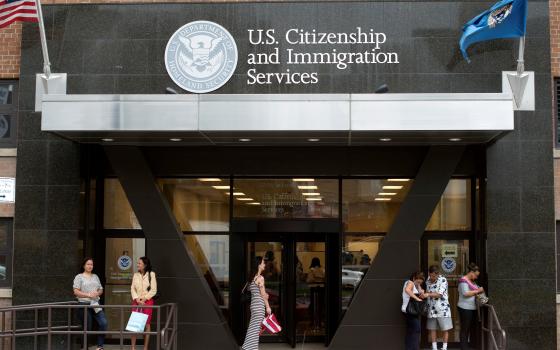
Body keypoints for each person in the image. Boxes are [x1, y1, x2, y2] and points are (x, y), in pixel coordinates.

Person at [73, 257, 107, 350]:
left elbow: (101, 289)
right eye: (88, 264)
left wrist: (97, 293)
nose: (90, 266)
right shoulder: (79, 277)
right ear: (84, 265)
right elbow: (76, 291)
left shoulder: (95, 276)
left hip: (95, 303)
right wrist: (88, 294)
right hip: (83, 304)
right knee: (88, 326)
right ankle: (84, 347)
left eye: (91, 264)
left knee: (103, 323)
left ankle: (100, 346)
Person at [242, 256, 272, 350]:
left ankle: (248, 347)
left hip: (253, 306)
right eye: (263, 263)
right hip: (259, 306)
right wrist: (268, 307)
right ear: (258, 265)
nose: (264, 265)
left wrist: (265, 294)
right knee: (255, 330)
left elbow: (256, 292)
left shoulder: (252, 278)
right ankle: (251, 348)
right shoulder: (260, 278)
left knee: (253, 329)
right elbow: (263, 295)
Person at [130, 257, 158, 350]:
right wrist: (137, 298)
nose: (137, 265)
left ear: (145, 265)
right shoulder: (135, 275)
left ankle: (145, 348)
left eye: (139, 263)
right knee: (134, 325)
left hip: (147, 301)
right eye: (137, 263)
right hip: (137, 301)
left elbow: (153, 290)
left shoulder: (151, 274)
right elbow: (132, 288)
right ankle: (133, 348)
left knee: (147, 324)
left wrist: (144, 299)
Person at [425, 265, 453, 350]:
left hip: (443, 309)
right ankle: (434, 347)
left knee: (445, 329)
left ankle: (444, 348)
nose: (432, 277)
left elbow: (440, 294)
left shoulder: (443, 280)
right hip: (431, 309)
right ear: (429, 273)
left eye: (434, 276)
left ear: (438, 274)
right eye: (431, 275)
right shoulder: (427, 280)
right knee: (432, 329)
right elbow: (427, 292)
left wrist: (428, 294)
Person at [458, 263, 485, 350]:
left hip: (472, 308)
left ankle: (468, 346)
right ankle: (464, 347)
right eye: (476, 275)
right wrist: (478, 290)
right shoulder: (463, 280)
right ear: (471, 272)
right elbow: (465, 293)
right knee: (465, 329)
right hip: (465, 308)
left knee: (469, 328)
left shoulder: (472, 281)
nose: (476, 277)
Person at [401, 271, 426, 350]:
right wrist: (417, 298)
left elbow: (422, 295)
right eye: (418, 279)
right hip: (410, 311)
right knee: (416, 330)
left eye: (421, 279)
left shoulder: (415, 285)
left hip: (410, 311)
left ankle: (409, 348)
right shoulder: (410, 283)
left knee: (411, 331)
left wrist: (419, 288)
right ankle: (415, 348)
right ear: (414, 278)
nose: (420, 281)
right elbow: (407, 290)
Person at [306, 257, 326, 330]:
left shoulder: (311, 270)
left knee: (313, 304)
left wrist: (315, 277)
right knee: (321, 304)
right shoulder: (322, 269)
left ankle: (313, 321)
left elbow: (309, 279)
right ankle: (321, 321)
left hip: (313, 288)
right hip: (322, 288)